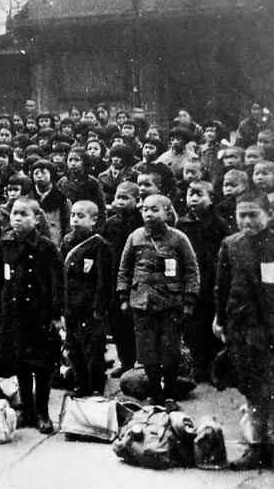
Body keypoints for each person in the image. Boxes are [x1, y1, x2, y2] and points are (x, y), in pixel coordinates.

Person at [117, 194, 200, 405]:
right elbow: (124, 270)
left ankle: (170, 393)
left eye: (155, 209)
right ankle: (155, 393)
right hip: (142, 303)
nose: (149, 214)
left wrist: (189, 300)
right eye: (145, 209)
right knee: (147, 352)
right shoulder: (134, 237)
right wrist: (123, 296)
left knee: (170, 351)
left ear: (167, 212)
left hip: (170, 304)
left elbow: (191, 270)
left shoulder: (178, 239)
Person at [0, 196, 64, 434]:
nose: (17, 218)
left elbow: (56, 282)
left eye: (24, 214)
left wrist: (56, 314)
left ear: (37, 219)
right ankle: (27, 409)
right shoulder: (5, 243)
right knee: (21, 362)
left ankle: (42, 411)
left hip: (38, 313)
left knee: (42, 366)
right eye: (14, 213)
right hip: (13, 313)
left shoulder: (46, 247)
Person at [214, 191, 274, 470]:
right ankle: (259, 446)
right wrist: (220, 320)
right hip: (243, 328)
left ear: (269, 215)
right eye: (242, 215)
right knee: (252, 390)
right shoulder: (231, 245)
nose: (247, 220)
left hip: (270, 327)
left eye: (254, 214)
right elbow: (222, 286)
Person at [176, 180, 229, 383]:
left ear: (211, 199)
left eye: (199, 195)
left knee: (211, 324)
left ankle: (215, 369)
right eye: (191, 194)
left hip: (211, 278)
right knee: (193, 326)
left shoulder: (218, 224)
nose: (194, 199)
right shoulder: (183, 224)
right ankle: (199, 366)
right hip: (190, 279)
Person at [60, 200, 111, 396]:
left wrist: (99, 307)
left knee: (93, 349)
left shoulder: (100, 245)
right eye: (73, 215)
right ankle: (80, 384)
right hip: (70, 305)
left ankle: (96, 386)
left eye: (81, 216)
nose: (75, 220)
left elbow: (103, 280)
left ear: (94, 220)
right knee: (74, 349)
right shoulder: (67, 241)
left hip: (90, 307)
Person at [102, 181, 143, 377]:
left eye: (125, 198)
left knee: (136, 323)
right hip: (114, 278)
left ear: (137, 200)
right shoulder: (110, 224)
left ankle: (140, 363)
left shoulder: (142, 223)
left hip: (136, 278)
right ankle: (125, 361)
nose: (119, 202)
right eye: (118, 197)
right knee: (117, 323)